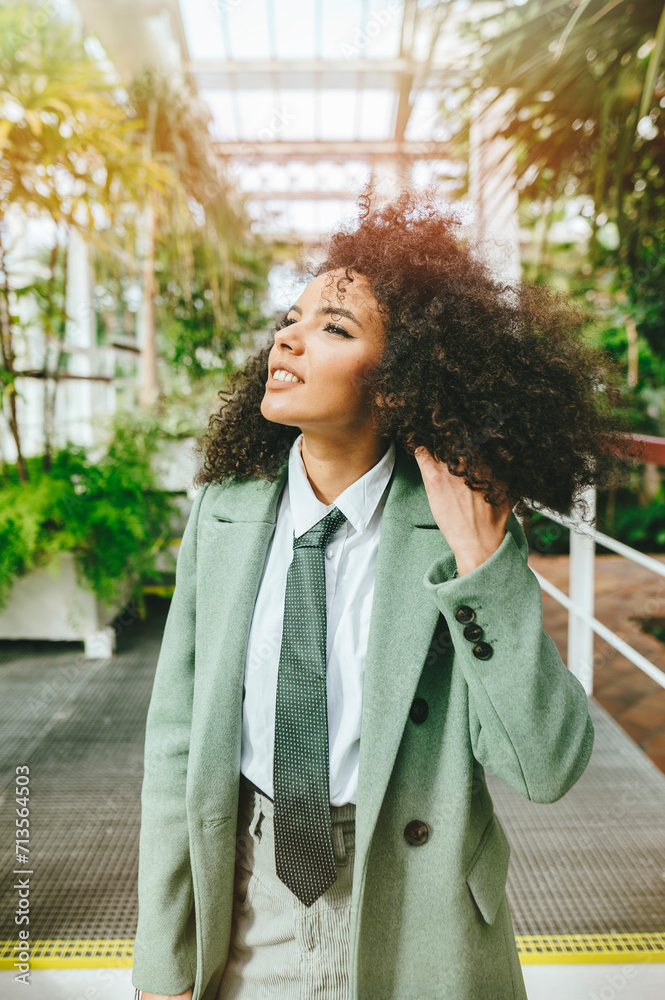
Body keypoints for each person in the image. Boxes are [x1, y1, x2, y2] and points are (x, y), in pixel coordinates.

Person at [131, 184, 632, 1000]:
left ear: (399, 378)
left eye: (333, 328)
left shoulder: (458, 527)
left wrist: (482, 564)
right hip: (251, 896)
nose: (288, 341)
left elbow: (545, 767)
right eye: (288, 320)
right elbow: (177, 742)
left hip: (419, 912)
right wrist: (165, 952)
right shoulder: (225, 512)